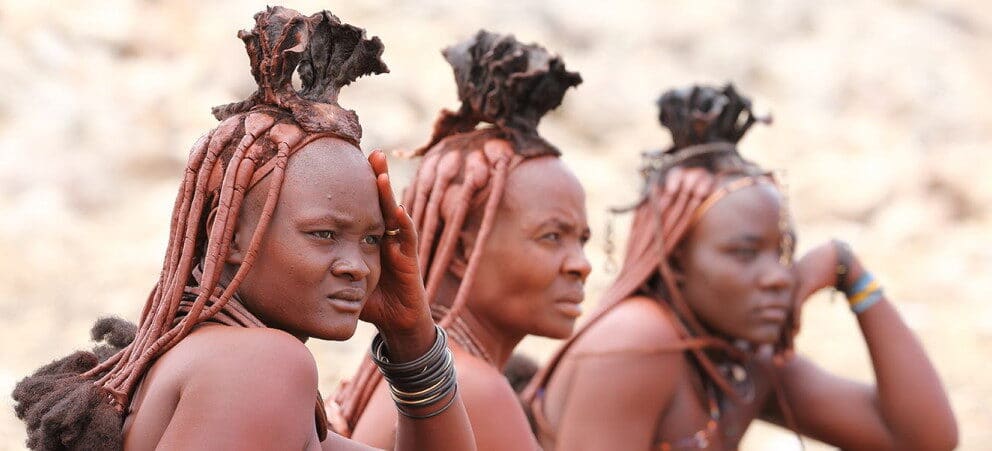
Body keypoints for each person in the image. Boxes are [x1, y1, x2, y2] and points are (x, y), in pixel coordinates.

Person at [11, 7, 476, 450]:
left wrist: (413, 336)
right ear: (227, 234)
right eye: (323, 234)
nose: (357, 267)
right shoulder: (260, 365)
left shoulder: (222, 364)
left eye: (372, 240)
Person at [522, 84, 958, 450]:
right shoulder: (637, 340)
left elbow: (922, 438)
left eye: (784, 253)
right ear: (676, 261)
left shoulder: (739, 359)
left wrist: (850, 272)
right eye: (745, 254)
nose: (776, 276)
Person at [331, 30, 590, 450]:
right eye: (553, 236)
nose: (581, 264)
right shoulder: (475, 390)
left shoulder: (441, 376)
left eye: (583, 239)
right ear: (464, 248)